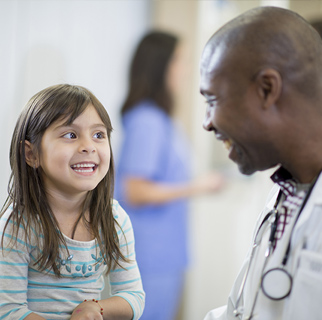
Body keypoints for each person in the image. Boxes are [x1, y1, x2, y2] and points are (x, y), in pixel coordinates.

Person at [200, 6, 322, 320]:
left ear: (267, 89)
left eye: (212, 100)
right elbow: (245, 309)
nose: (207, 123)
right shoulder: (287, 192)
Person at [0, 84, 145, 320]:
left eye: (99, 135)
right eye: (70, 135)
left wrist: (95, 308)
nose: (88, 146)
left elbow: (133, 296)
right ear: (31, 154)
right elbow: (8, 310)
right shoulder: (17, 226)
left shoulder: (114, 218)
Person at [116, 31, 224, 320]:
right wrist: (198, 187)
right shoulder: (147, 120)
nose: (186, 69)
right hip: (150, 256)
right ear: (159, 66)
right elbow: (134, 191)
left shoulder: (160, 119)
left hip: (165, 252)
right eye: (179, 60)